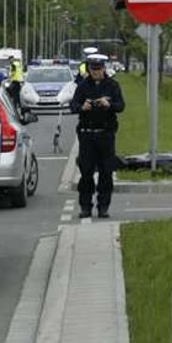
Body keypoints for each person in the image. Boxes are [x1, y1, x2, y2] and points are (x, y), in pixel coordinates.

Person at [69, 53, 125, 220]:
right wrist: (82, 107)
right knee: (86, 173)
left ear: (103, 68)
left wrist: (109, 104)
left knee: (106, 172)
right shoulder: (83, 86)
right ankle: (85, 207)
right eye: (92, 69)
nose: (95, 72)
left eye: (98, 69)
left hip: (105, 134)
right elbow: (73, 105)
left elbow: (121, 106)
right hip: (87, 134)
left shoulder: (112, 85)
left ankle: (103, 207)